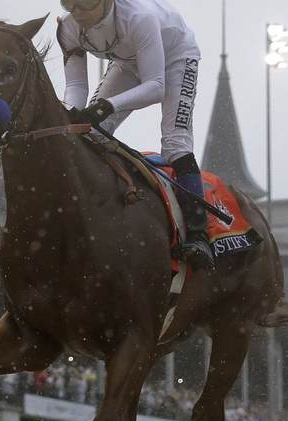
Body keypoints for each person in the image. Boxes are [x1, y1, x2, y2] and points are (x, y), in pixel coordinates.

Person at [58, 0, 213, 269]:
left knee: (176, 142)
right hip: (127, 61)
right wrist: (71, 111)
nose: (77, 13)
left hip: (176, 56)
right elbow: (75, 85)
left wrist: (108, 105)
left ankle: (199, 235)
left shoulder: (139, 18)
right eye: (69, 5)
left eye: (84, 5)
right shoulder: (69, 27)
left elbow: (155, 87)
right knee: (91, 135)